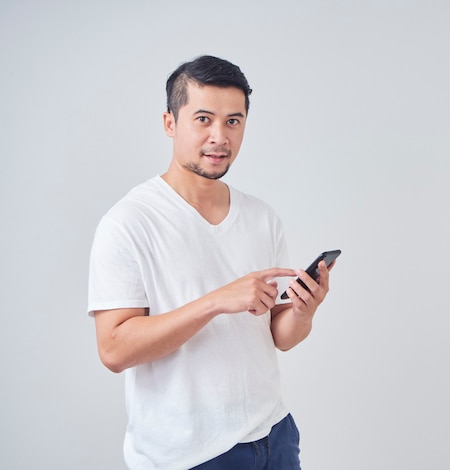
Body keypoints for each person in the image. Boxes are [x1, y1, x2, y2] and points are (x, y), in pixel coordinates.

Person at [87, 55, 334, 469]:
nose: (219, 136)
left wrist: (305, 311)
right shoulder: (128, 223)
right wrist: (217, 300)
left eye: (233, 122)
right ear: (170, 123)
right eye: (203, 119)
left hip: (274, 435)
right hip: (189, 454)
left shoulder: (261, 217)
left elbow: (279, 336)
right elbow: (113, 350)